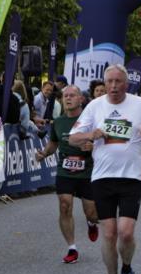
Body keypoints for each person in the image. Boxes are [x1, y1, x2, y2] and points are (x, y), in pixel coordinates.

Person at [69, 64, 141, 274]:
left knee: (126, 232)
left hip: (131, 176)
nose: (113, 86)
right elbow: (72, 138)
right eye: (109, 81)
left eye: (118, 81)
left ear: (126, 84)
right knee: (109, 234)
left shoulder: (140, 104)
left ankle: (127, 269)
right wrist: (91, 134)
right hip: (102, 177)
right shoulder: (94, 106)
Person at [36, 85, 100, 263]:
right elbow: (53, 143)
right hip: (65, 169)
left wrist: (93, 146)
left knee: (92, 213)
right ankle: (72, 248)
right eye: (65, 96)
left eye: (72, 95)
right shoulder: (58, 122)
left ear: (81, 99)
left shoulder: (90, 120)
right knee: (65, 206)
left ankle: (91, 223)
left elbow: (104, 142)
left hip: (88, 170)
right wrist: (44, 153)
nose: (68, 98)